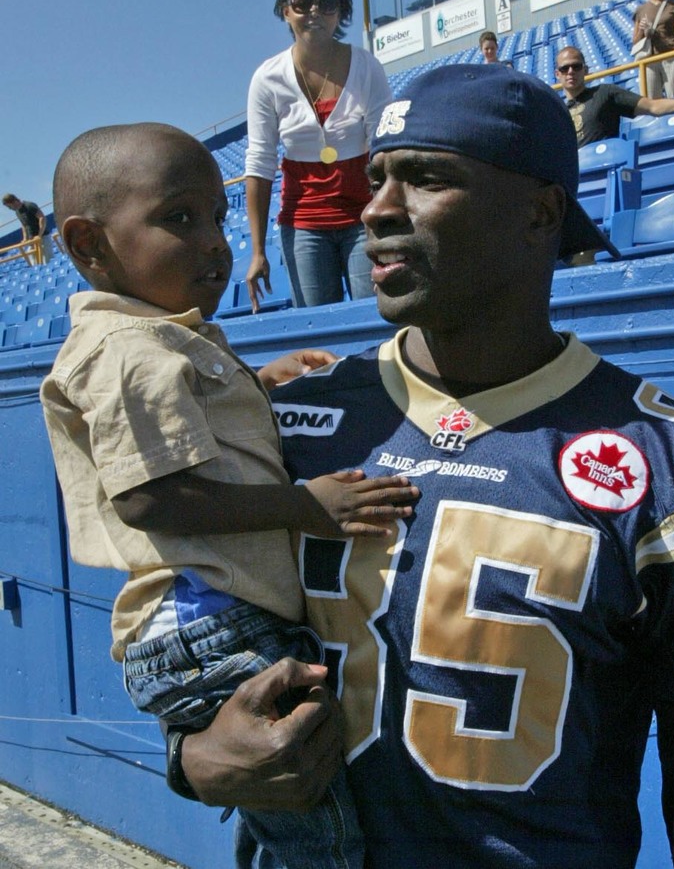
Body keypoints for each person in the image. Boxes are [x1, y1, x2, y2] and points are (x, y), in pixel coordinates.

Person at [177, 66, 674, 869]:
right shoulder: (285, 422)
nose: (377, 209)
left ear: (538, 213)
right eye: (378, 176)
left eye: (426, 177)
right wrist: (189, 756)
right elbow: (184, 627)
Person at [39, 122, 419, 869]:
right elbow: (153, 497)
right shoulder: (129, 351)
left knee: (284, 813)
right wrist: (305, 506)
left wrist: (258, 383)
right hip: (215, 624)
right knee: (321, 830)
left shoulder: (165, 339)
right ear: (87, 245)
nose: (214, 240)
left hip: (210, 620)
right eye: (179, 218)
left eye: (218, 215)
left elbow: (187, 426)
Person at [244, 0, 392, 311]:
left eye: (326, 4)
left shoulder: (367, 66)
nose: (314, 12)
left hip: (362, 218)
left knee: (371, 316)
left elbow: (382, 146)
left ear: (341, 12)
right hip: (303, 225)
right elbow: (260, 163)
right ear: (286, 12)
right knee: (318, 328)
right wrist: (258, 252)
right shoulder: (267, 79)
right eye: (302, 4)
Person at [555, 46, 674, 145]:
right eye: (564, 68)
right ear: (557, 74)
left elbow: (652, 106)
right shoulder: (555, 111)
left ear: (586, 70)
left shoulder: (605, 93)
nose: (570, 72)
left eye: (576, 66)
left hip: (604, 170)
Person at [631, 0, 674, 99]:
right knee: (652, 103)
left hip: (671, 56)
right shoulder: (641, 10)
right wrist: (642, 30)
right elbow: (635, 42)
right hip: (649, 60)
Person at [2, 192, 53, 263]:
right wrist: (25, 238)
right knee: (33, 262)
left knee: (47, 260)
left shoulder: (29, 206)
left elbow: (42, 218)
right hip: (32, 240)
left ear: (13, 201)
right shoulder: (17, 212)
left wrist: (39, 235)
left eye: (9, 206)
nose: (9, 209)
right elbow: (24, 225)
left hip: (43, 237)